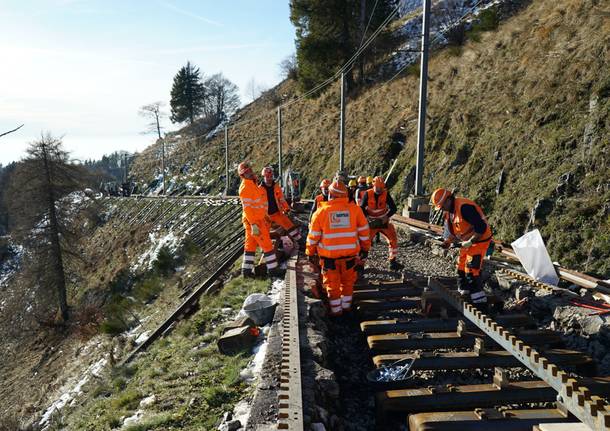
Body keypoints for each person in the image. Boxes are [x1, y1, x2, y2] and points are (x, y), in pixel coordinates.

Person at [306, 180, 370, 316]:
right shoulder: (355, 210)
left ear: (331, 195)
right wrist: (365, 249)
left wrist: (310, 252)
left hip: (329, 260)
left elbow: (313, 237)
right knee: (348, 284)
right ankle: (346, 309)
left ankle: (336, 314)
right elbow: (364, 233)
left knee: (332, 287)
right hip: (350, 258)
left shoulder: (321, 212)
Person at [430, 188, 493, 307]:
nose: (441, 209)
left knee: (471, 271)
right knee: (461, 268)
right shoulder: (449, 212)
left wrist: (470, 241)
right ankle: (465, 294)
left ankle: (480, 304)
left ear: (448, 200)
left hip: (479, 241)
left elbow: (481, 228)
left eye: (442, 206)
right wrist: (447, 242)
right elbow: (451, 232)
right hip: (467, 242)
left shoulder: (464, 207)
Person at [237, 162, 282, 278]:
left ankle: (246, 272)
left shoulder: (252, 183)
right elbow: (247, 209)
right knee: (267, 245)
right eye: (246, 172)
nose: (250, 172)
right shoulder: (246, 188)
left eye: (249, 170)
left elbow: (257, 204)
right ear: (242, 175)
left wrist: (265, 215)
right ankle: (273, 271)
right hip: (255, 222)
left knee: (250, 246)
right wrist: (254, 224)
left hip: (255, 220)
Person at [360, 176, 403, 271]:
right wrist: (366, 217)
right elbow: (361, 208)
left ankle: (393, 262)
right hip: (372, 223)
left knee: (393, 239)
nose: (379, 190)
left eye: (381, 188)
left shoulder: (386, 194)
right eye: (377, 187)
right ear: (373, 185)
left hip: (383, 221)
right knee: (365, 243)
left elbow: (393, 208)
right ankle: (360, 264)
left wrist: (386, 217)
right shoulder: (368, 194)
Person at [260, 166, 302, 243]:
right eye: (267, 176)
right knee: (264, 233)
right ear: (264, 177)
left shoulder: (276, 187)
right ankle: (266, 247)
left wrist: (287, 209)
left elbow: (282, 200)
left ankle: (299, 241)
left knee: (289, 225)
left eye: (271, 176)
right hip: (266, 216)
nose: (269, 178)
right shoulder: (259, 189)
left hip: (277, 213)